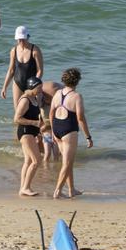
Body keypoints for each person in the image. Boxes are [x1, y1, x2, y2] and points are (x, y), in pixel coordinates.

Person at [50, 67, 93, 199]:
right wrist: (88, 136)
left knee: (68, 162)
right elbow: (80, 117)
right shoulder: (76, 96)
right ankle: (57, 191)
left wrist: (52, 131)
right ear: (77, 81)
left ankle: (71, 189)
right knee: (67, 163)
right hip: (69, 129)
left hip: (57, 127)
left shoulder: (57, 93)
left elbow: (51, 112)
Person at [14, 77, 47, 197]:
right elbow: (17, 119)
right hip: (25, 132)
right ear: (32, 87)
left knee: (28, 161)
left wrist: (38, 132)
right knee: (36, 160)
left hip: (31, 132)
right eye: (38, 88)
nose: (41, 90)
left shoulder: (34, 98)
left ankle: (23, 188)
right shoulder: (25, 100)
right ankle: (26, 188)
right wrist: (35, 124)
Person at [0, 26, 44, 106]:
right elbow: (11, 70)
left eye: (23, 39)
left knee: (35, 109)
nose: (21, 41)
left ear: (28, 37)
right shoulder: (14, 50)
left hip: (31, 85)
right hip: (17, 83)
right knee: (17, 111)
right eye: (19, 40)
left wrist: (34, 85)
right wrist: (4, 87)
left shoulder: (35, 50)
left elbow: (40, 70)